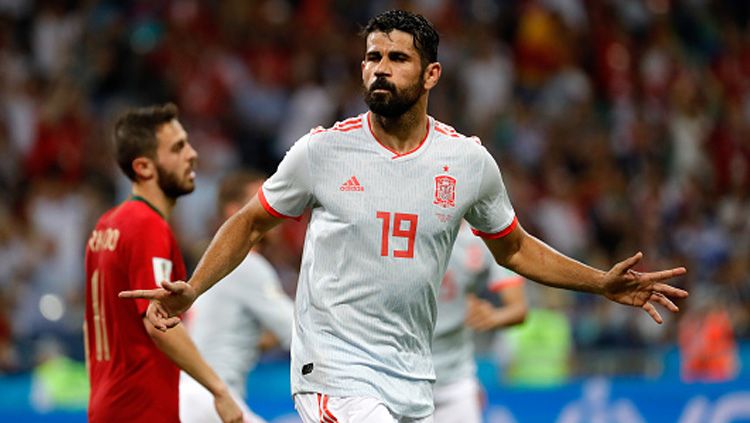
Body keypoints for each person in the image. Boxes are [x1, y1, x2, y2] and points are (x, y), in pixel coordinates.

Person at [120, 10, 687, 423]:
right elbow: (249, 221)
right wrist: (193, 289)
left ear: (431, 75)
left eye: (396, 58)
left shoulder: (467, 163)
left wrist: (599, 283)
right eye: (372, 58)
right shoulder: (321, 152)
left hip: (415, 377)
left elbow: (513, 248)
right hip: (334, 371)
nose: (380, 70)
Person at [83, 103, 243, 423]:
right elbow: (159, 323)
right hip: (141, 407)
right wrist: (219, 390)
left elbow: (90, 328)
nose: (193, 154)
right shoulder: (148, 225)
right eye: (178, 147)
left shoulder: (105, 227)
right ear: (144, 167)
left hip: (105, 404)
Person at [179, 170, 295, 423]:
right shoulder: (247, 265)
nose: (275, 209)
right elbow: (297, 333)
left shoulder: (214, 264)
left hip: (192, 396)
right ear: (234, 212)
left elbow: (231, 331)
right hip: (213, 398)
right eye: (263, 201)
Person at [432, 223, 527, 423]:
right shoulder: (404, 226)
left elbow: (518, 309)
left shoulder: (484, 235)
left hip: (455, 377)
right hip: (399, 374)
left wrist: (492, 316)